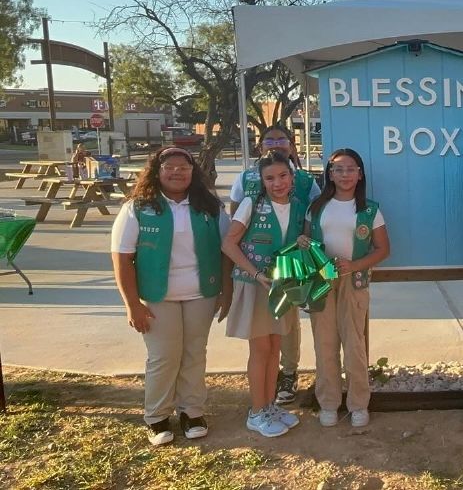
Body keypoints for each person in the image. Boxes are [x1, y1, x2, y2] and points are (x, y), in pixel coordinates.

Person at [111, 147, 232, 446]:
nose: (177, 172)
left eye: (184, 167)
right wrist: (131, 304)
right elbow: (122, 257)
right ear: (157, 170)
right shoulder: (137, 207)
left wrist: (226, 292)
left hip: (201, 293)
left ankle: (192, 412)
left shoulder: (210, 206)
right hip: (156, 297)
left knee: (194, 354)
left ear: (194, 172)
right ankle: (157, 417)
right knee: (164, 357)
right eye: (170, 167)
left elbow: (227, 250)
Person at [230, 125, 321, 405]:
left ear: (292, 146)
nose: (276, 143)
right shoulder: (246, 183)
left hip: (290, 271)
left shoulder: (306, 182)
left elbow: (313, 220)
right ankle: (261, 406)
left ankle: (287, 375)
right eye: (270, 139)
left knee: (286, 330)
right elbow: (234, 229)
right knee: (262, 344)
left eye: (282, 138)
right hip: (257, 273)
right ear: (260, 146)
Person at [299, 148, 390, 428]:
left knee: (354, 344)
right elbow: (304, 240)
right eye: (338, 169)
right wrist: (305, 246)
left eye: (351, 169)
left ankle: (358, 403)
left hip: (354, 281)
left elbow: (383, 249)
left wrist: (355, 265)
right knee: (324, 342)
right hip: (321, 283)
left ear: (360, 174)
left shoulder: (369, 209)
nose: (345, 174)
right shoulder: (316, 206)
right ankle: (328, 402)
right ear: (329, 174)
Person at [221, 151, 304, 437]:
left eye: (283, 176)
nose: (277, 182)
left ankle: (269, 405)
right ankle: (256, 412)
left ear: (292, 177)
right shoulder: (250, 204)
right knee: (260, 350)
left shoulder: (297, 206)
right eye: (270, 178)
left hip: (282, 287)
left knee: (275, 350)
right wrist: (256, 274)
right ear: (262, 181)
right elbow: (229, 245)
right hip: (255, 286)